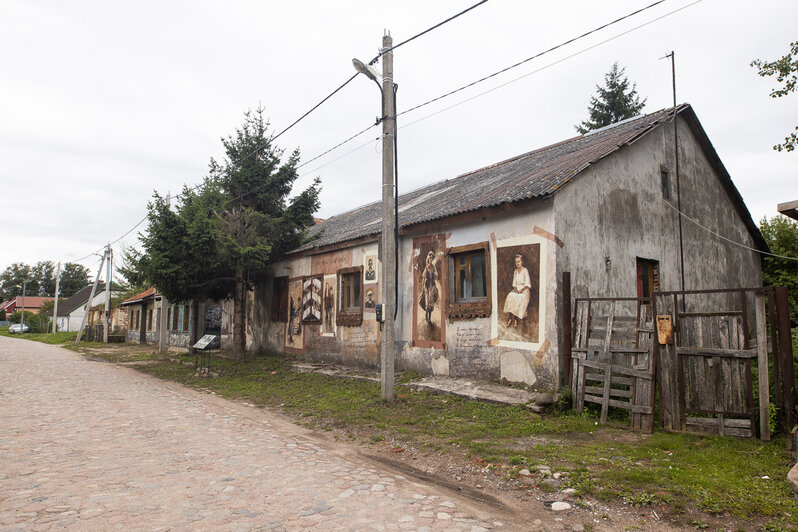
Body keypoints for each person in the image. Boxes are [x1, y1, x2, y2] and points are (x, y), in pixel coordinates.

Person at [503, 253, 531, 328]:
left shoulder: (525, 270)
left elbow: (527, 284)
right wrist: (516, 290)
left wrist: (520, 290)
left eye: (519, 261)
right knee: (511, 295)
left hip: (525, 290)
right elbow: (514, 283)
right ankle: (510, 318)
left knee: (519, 298)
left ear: (521, 262)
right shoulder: (515, 271)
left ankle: (515, 319)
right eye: (516, 262)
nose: (517, 263)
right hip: (517, 289)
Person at [419, 250, 439, 325]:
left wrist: (434, 275)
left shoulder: (433, 267)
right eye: (430, 258)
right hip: (427, 286)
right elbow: (423, 276)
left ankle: (429, 318)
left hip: (432, 285)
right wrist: (423, 286)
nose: (431, 260)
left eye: (432, 258)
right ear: (428, 259)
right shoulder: (427, 267)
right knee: (427, 301)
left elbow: (436, 275)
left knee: (431, 301)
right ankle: (426, 316)